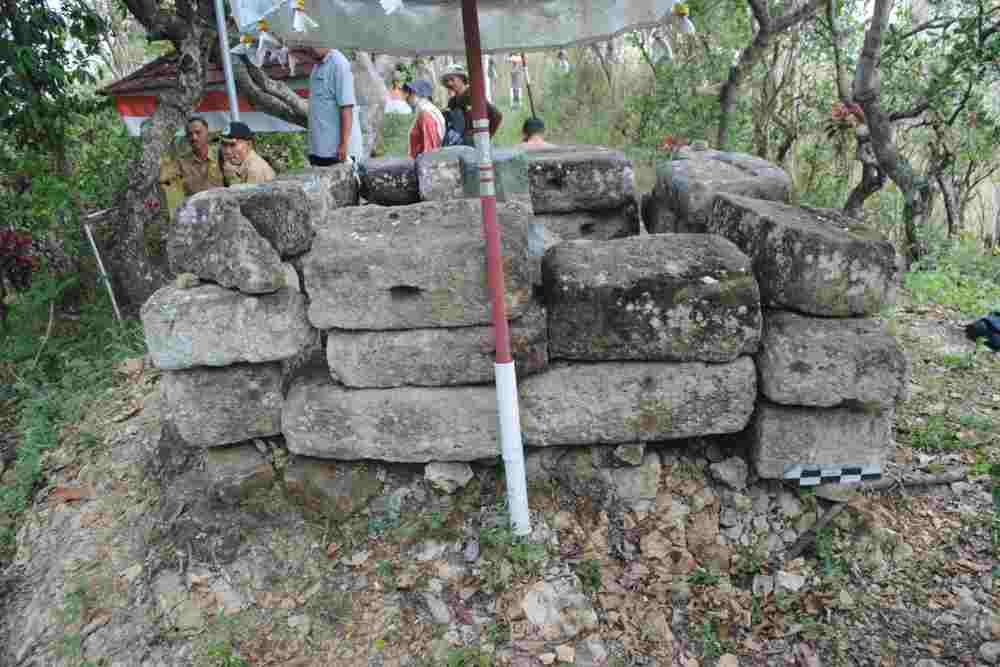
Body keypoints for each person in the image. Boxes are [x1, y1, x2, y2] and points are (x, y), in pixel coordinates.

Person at [300, 47, 363, 166]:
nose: (308, 49)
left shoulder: (339, 64)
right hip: (319, 150)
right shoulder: (318, 64)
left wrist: (344, 145)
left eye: (312, 45)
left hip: (336, 152)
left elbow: (347, 108)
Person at [159, 116, 224, 221]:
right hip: (197, 219)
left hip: (222, 215)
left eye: (198, 132)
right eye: (190, 134)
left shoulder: (222, 156)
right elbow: (163, 181)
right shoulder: (181, 163)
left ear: (207, 133)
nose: (194, 137)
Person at [440, 65, 502, 146]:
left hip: (474, 144)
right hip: (459, 144)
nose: (449, 83)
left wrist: (485, 135)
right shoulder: (452, 102)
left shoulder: (474, 96)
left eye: (452, 79)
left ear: (462, 78)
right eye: (446, 81)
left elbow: (497, 115)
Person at [220, 121, 276, 185]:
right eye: (224, 144)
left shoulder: (255, 169)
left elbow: (243, 194)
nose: (227, 151)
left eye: (233, 145)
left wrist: (232, 178)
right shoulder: (238, 165)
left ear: (249, 144)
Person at [404, 80, 444, 159]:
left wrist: (425, 168)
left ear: (421, 95)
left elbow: (430, 149)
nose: (407, 96)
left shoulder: (426, 115)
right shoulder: (425, 112)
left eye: (411, 92)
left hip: (424, 165)